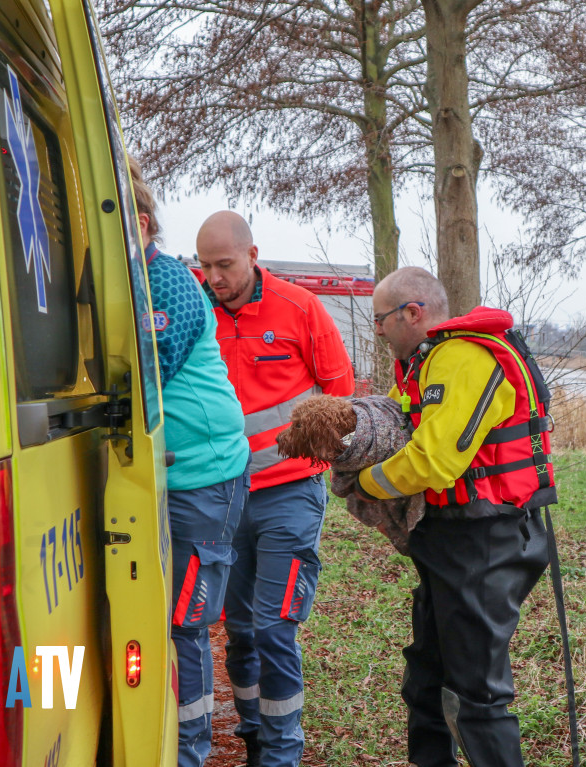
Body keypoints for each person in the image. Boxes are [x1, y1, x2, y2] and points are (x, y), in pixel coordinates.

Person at [356, 266, 558, 767]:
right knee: (426, 681)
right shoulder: (429, 362)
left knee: (476, 695)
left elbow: (433, 459)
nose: (376, 330)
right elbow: (408, 423)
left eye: (381, 319)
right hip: (453, 541)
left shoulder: (461, 358)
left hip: (485, 541)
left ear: (413, 312)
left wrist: (361, 484)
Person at [196, 211, 355, 767]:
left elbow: (340, 395)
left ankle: (282, 755)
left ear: (253, 255)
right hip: (222, 496)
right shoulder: (193, 309)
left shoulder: (299, 308)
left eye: (225, 265)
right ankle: (254, 735)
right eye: (205, 265)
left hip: (290, 492)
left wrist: (324, 454)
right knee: (236, 631)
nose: (214, 277)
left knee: (273, 627)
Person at [129, 160, 251, 767]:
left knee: (185, 622)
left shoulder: (167, 285)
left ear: (141, 223)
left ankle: (189, 753)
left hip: (203, 481)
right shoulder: (120, 282)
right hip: (161, 478)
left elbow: (142, 390)